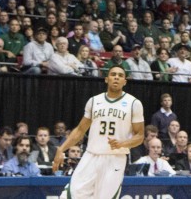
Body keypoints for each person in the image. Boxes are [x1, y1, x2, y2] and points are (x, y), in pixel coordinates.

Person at [54, 66, 144, 199]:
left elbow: (140, 136)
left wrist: (123, 143)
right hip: (91, 155)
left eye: (120, 75)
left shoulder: (134, 103)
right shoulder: (94, 101)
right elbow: (80, 129)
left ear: (125, 81)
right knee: (70, 195)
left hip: (115, 159)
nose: (116, 77)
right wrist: (61, 149)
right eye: (113, 74)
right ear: (107, 79)